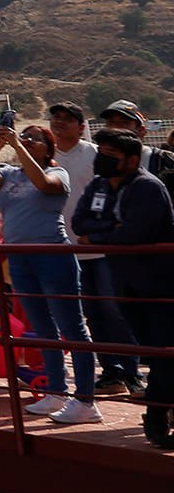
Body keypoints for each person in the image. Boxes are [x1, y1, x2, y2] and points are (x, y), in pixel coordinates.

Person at [0, 124, 98, 423]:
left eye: (34, 138)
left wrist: (18, 146)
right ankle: (56, 392)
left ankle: (86, 401)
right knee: (42, 329)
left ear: (48, 147)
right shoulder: (9, 174)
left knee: (72, 327)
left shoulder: (59, 172)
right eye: (23, 136)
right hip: (19, 259)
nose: (26, 140)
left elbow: (44, 185)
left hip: (52, 255)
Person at [72, 129, 174, 449]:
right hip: (128, 285)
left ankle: (158, 417)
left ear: (131, 160)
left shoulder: (147, 188)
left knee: (165, 354)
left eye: (111, 153)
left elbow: (133, 234)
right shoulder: (100, 185)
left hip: (160, 285)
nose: (103, 157)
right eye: (101, 150)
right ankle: (158, 416)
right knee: (153, 354)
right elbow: (78, 224)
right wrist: (111, 230)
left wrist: (101, 235)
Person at [50, 101, 143, 398]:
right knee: (91, 313)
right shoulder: (44, 157)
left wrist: (100, 232)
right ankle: (110, 371)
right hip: (66, 249)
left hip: (100, 248)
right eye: (56, 118)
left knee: (113, 309)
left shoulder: (95, 155)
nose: (60, 123)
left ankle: (132, 371)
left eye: (67, 119)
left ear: (82, 126)